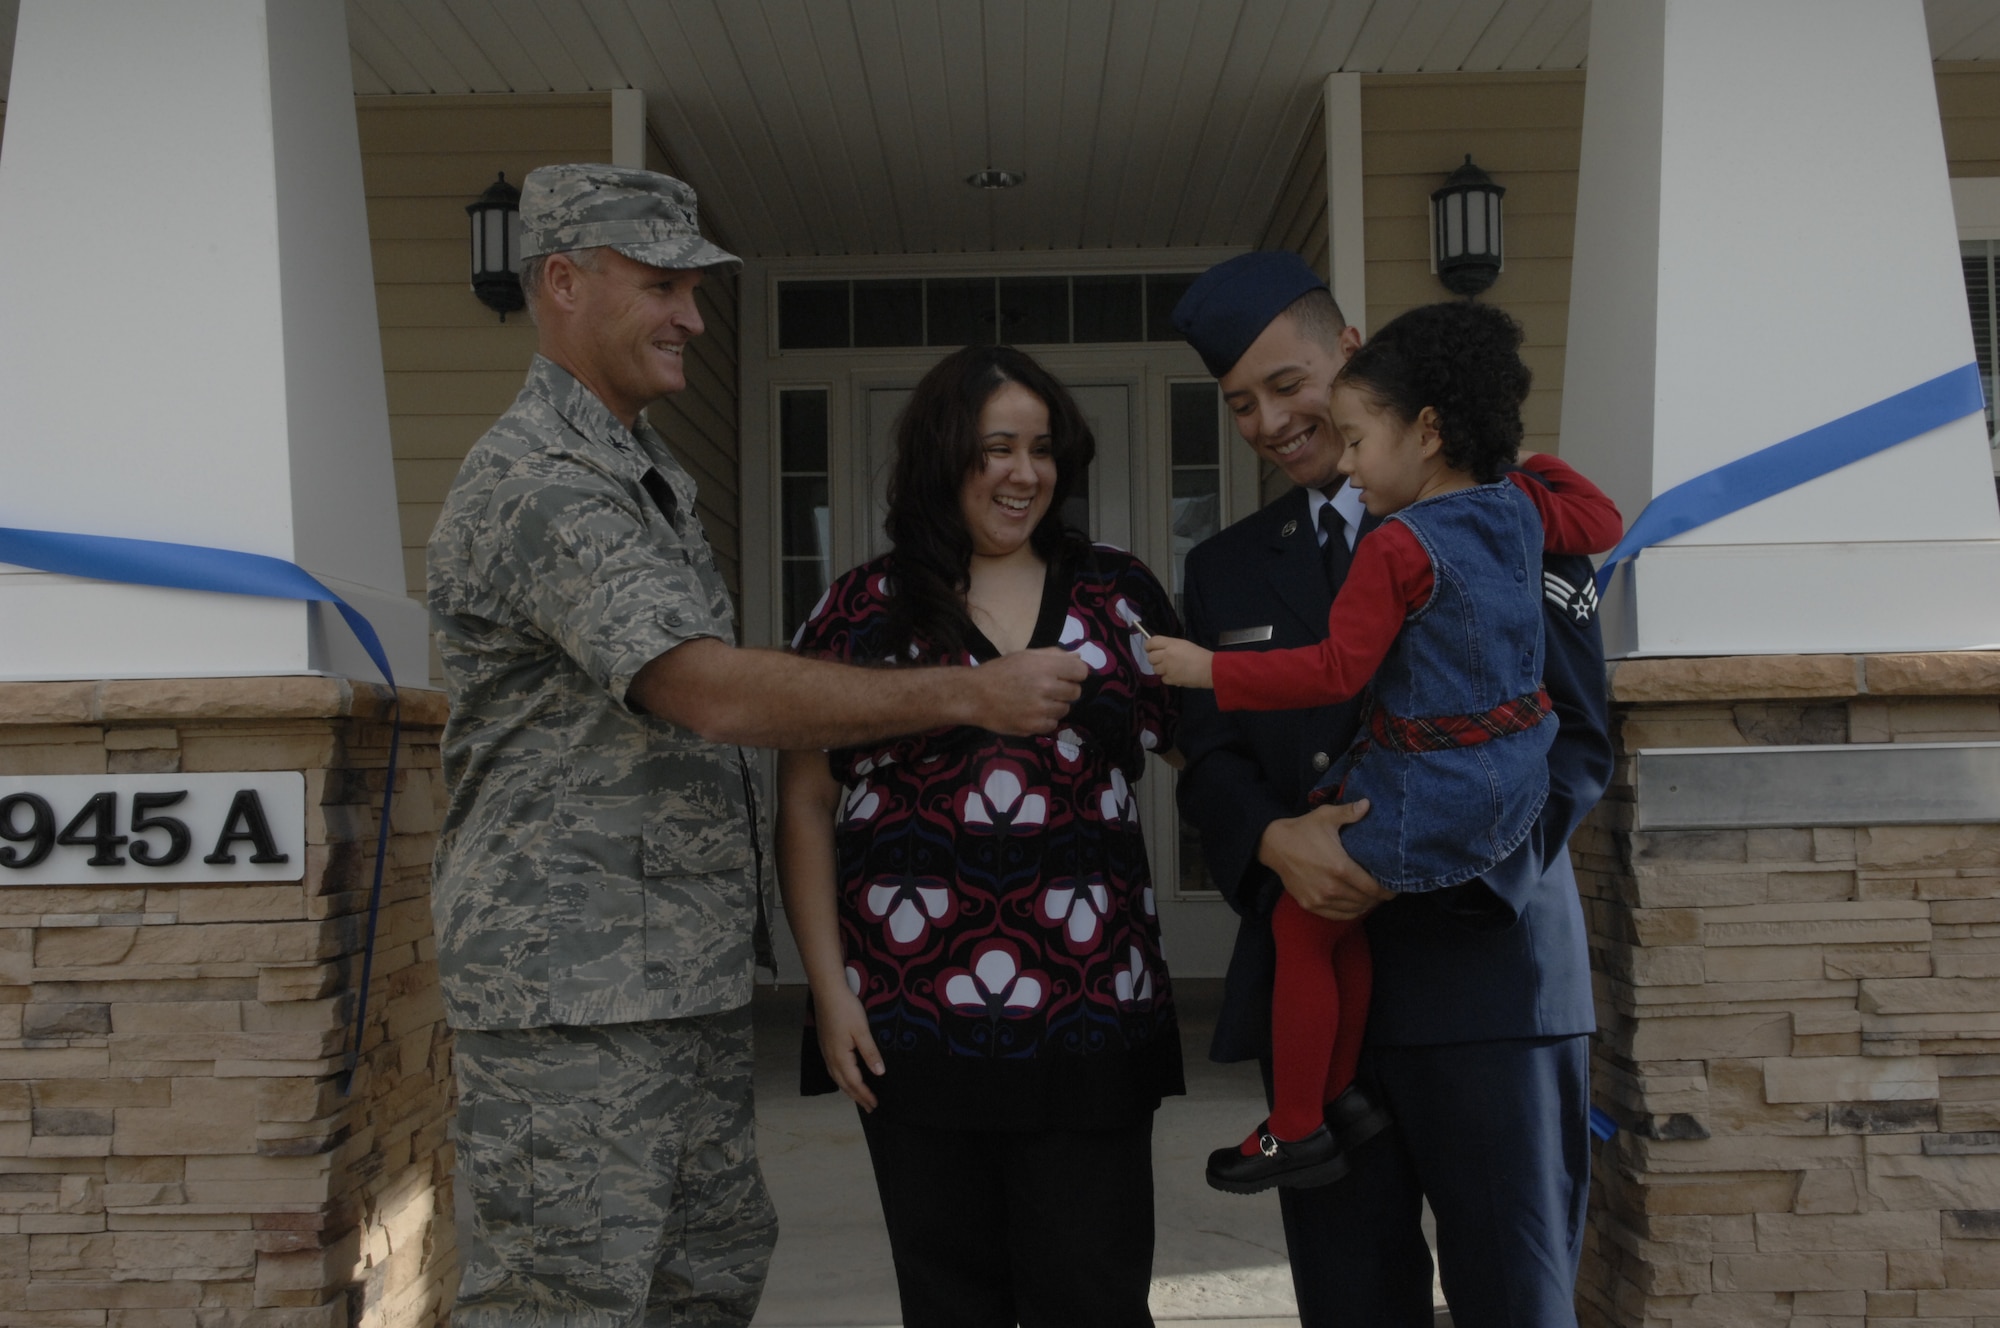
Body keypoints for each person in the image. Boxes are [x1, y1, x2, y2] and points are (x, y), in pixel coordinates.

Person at [425, 166, 1087, 1328]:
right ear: (566, 283)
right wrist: (967, 695)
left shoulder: (646, 477)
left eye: (697, 287)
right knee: (568, 1297)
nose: (692, 314)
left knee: (707, 1273)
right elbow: (709, 694)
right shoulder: (541, 486)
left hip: (671, 977)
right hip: (571, 993)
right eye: (664, 284)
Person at [1169, 250, 1618, 1328]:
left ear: (1353, 358)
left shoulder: (1505, 517)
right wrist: (1274, 841)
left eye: (1288, 384)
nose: (1271, 421)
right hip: (1321, 1016)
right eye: (1239, 405)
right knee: (1348, 1305)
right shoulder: (1224, 566)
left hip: (1488, 981)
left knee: (1516, 1301)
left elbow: (1574, 742)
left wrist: (1420, 862)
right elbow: (1209, 752)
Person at [778, 344, 1184, 1328]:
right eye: (994, 447)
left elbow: (1204, 752)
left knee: (1092, 1295)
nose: (1023, 473)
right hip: (911, 1017)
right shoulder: (859, 611)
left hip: (1089, 1011)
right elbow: (804, 803)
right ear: (942, 456)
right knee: (947, 1297)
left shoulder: (1118, 593)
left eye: (1041, 449)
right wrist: (828, 991)